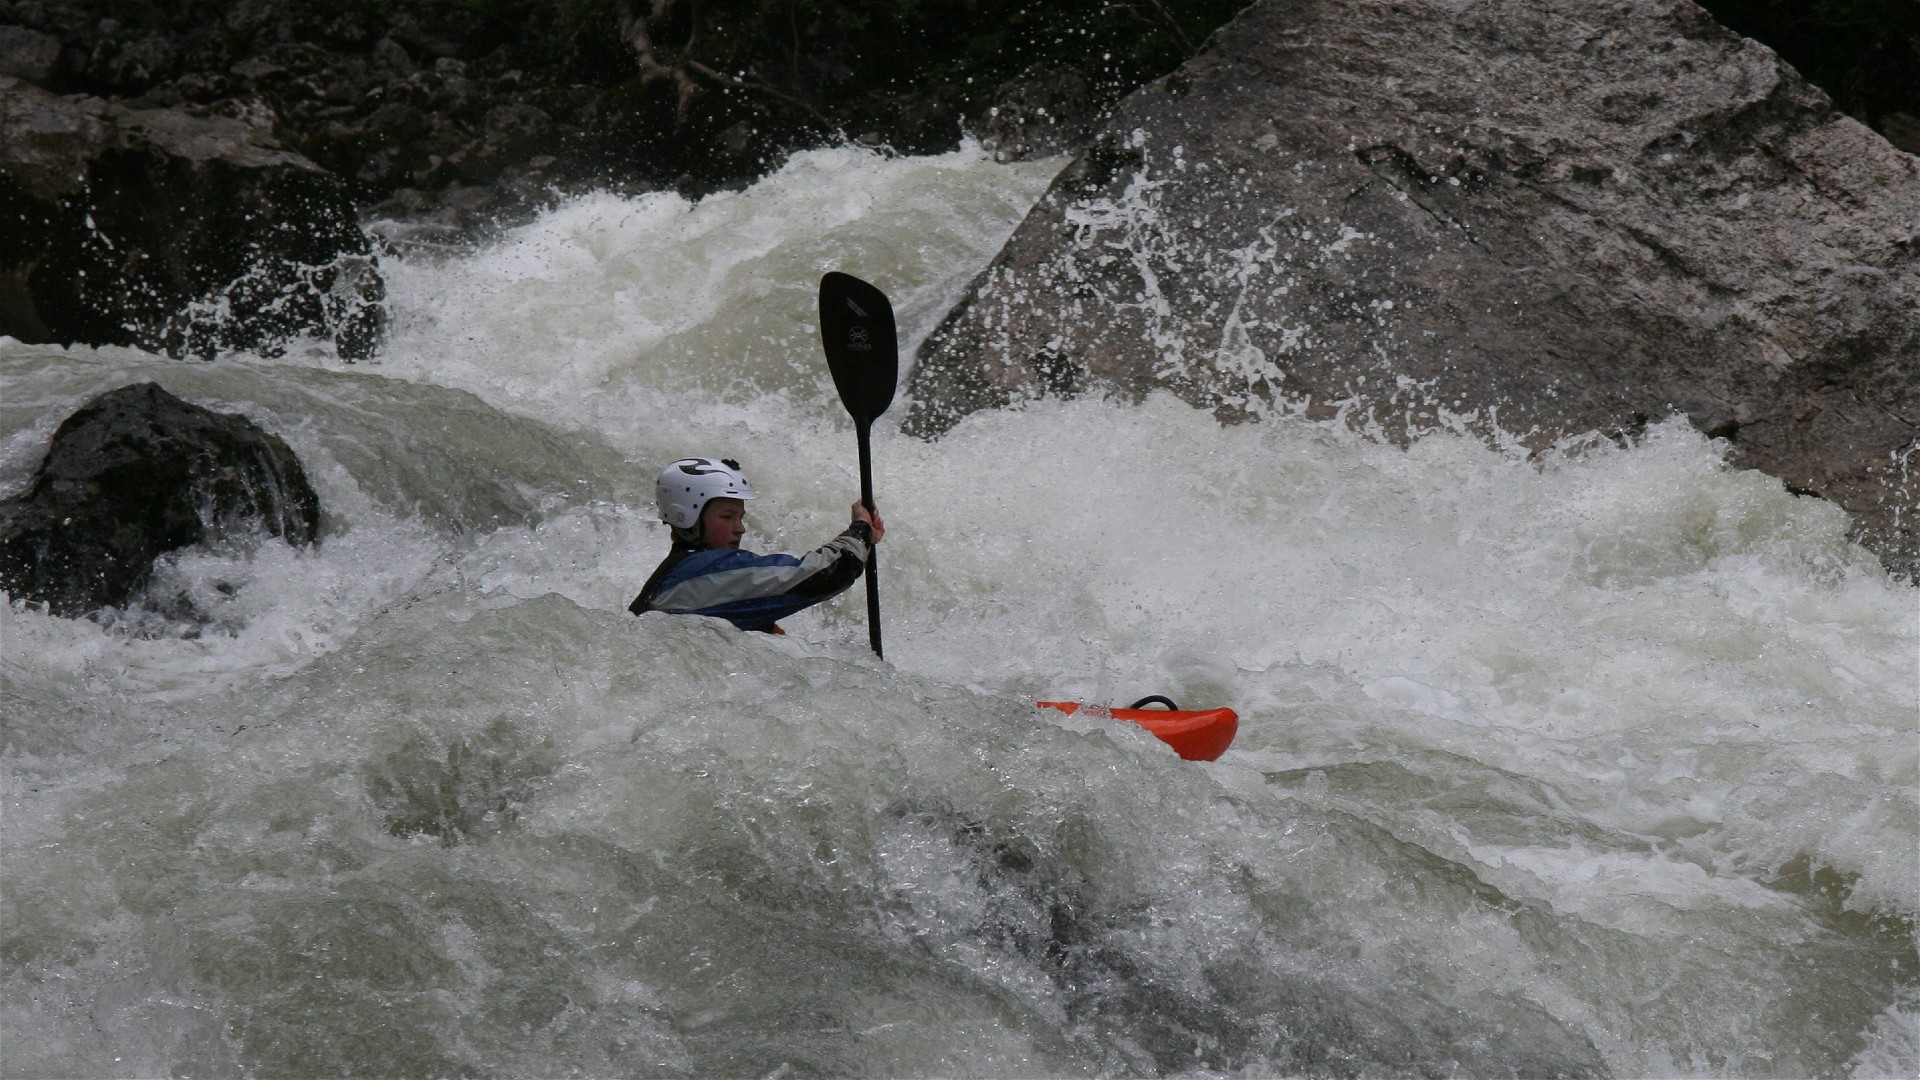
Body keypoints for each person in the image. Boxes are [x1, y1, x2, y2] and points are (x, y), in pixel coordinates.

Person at [628, 456, 884, 633]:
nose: (740, 528)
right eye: (727, 517)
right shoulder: (701, 573)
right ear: (687, 518)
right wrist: (859, 531)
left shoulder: (678, 573)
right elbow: (821, 574)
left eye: (740, 517)